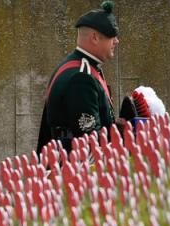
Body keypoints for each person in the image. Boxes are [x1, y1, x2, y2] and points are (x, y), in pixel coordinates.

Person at [37, 1, 123, 153]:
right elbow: (90, 142)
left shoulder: (80, 67)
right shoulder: (82, 78)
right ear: (95, 37)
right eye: (112, 35)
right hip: (72, 169)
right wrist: (123, 135)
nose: (117, 41)